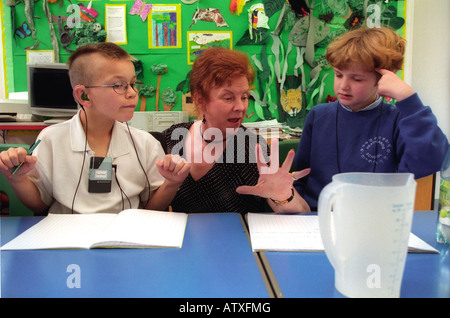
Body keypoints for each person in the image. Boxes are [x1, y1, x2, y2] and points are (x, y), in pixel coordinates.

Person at [0, 42, 189, 215]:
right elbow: (39, 205)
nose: (132, 93)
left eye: (132, 84)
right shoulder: (51, 139)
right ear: (84, 96)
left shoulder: (145, 143)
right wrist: (16, 178)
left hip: (128, 238)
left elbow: (151, 209)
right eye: (119, 85)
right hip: (67, 239)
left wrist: (172, 183)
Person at [293, 26, 449, 211]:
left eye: (357, 79)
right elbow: (299, 176)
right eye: (338, 75)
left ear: (383, 78)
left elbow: (432, 160)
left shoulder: (398, 119)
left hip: (375, 220)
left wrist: (409, 100)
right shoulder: (318, 115)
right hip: (318, 219)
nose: (344, 85)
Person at [163, 47, 311, 213]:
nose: (241, 107)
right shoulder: (173, 138)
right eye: (228, 98)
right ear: (200, 100)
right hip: (185, 237)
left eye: (245, 97)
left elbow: (302, 214)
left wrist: (284, 195)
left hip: (238, 237)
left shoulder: (252, 147)